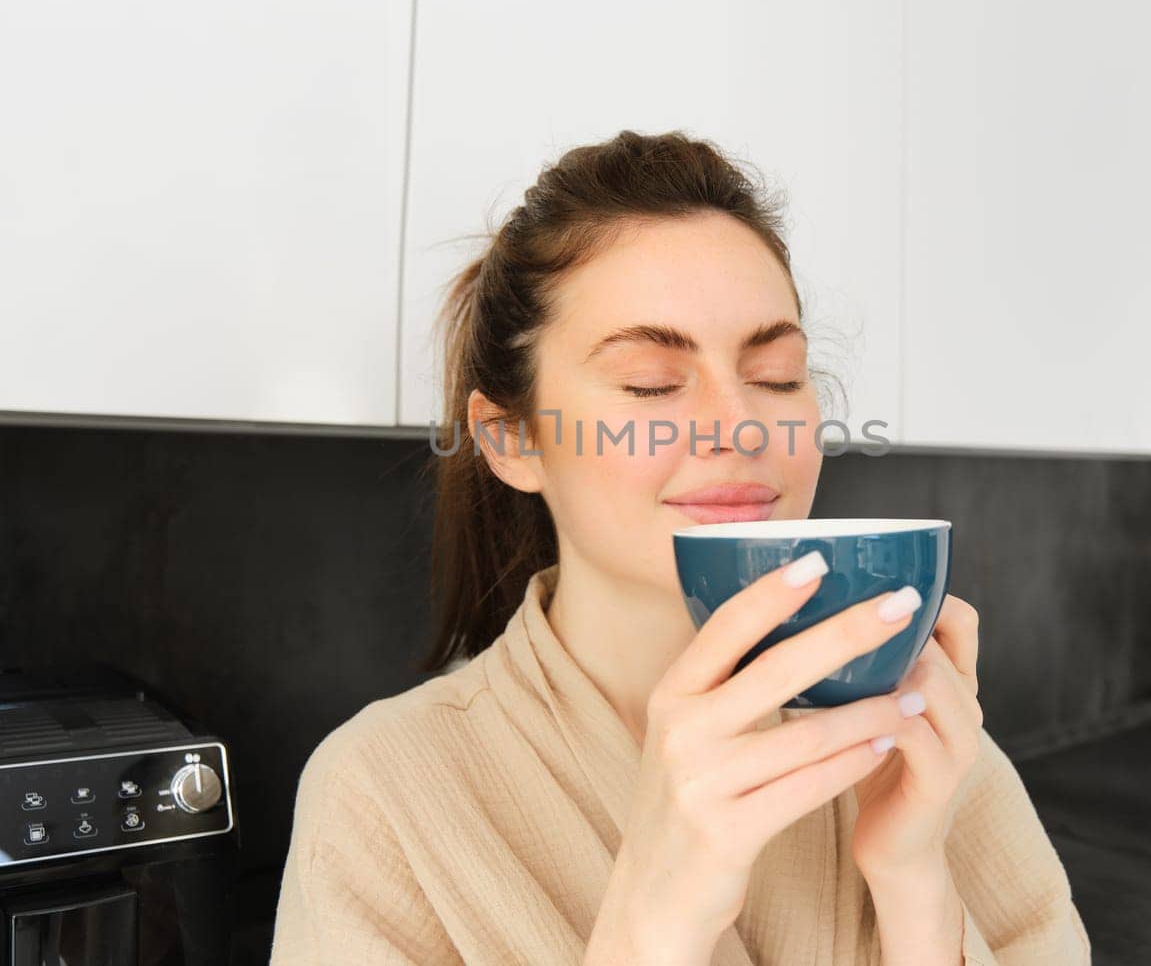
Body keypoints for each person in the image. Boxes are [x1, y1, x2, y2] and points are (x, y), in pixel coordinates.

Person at [269, 130, 1091, 964]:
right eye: (650, 385)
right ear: (511, 439)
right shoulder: (380, 791)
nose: (740, 426)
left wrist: (914, 877)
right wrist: (654, 923)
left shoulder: (921, 735)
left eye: (776, 377)